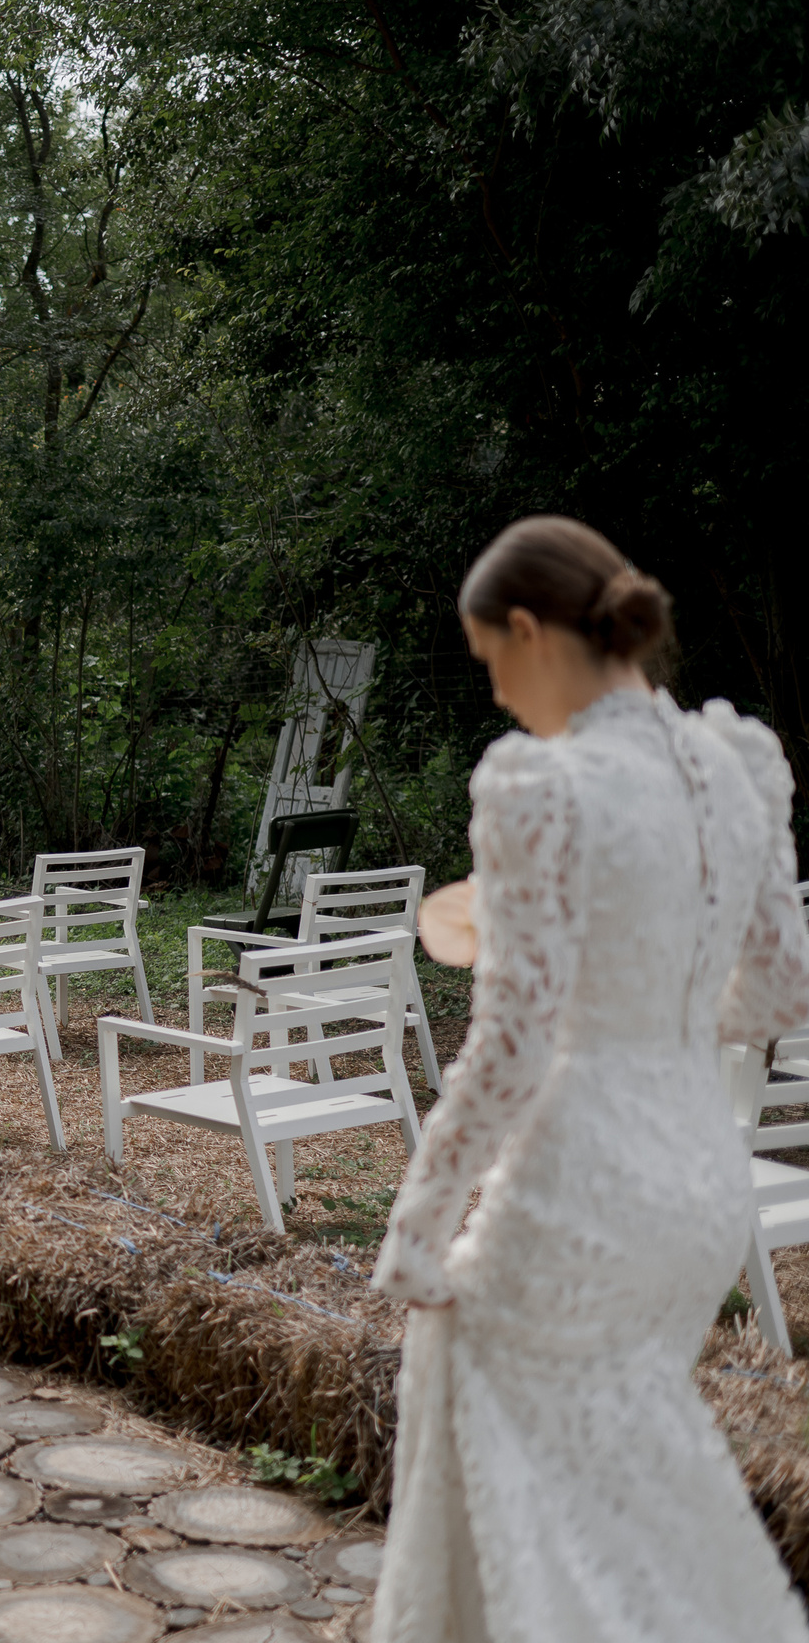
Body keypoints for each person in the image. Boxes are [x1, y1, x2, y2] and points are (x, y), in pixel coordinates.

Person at [372, 516, 809, 1641]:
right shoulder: (735, 766)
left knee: (482, 1404)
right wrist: (651, 1006)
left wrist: (417, 1224)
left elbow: (514, 1043)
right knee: (628, 1489)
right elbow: (781, 990)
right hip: (702, 1192)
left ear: (529, 630)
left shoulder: (540, 785)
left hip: (587, 1192)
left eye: (491, 661)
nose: (498, 694)